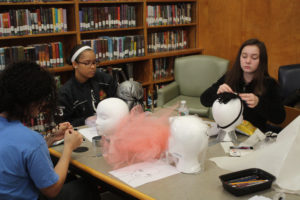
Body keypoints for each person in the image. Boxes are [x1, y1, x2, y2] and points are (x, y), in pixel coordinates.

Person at [0, 61, 99, 200]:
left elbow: (21, 155)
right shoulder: (30, 140)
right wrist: (68, 148)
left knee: (70, 178)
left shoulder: (22, 137)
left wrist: (50, 138)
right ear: (33, 101)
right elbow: (52, 190)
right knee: (85, 188)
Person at [200, 38, 286, 133]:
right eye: (244, 56)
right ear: (239, 58)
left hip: (254, 135)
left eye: (254, 58)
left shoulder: (269, 84)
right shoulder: (230, 77)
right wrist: (217, 91)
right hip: (228, 131)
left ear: (261, 61)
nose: (248, 61)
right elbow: (204, 100)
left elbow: (279, 118)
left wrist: (258, 103)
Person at [57, 44, 117, 127]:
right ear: (75, 64)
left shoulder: (105, 80)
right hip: (82, 132)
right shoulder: (66, 92)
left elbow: (116, 104)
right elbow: (63, 123)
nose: (93, 67)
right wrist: (85, 121)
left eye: (94, 62)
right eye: (87, 63)